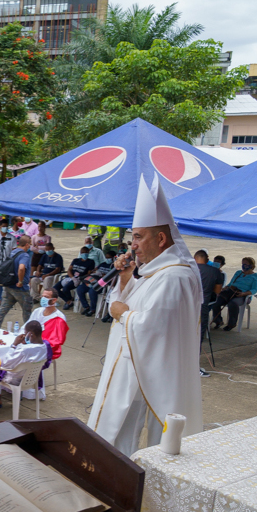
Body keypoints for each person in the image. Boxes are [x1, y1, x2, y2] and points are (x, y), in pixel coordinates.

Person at [88, 175, 203, 457]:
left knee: (144, 435)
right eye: (132, 238)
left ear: (161, 238)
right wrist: (126, 279)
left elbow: (152, 326)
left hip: (147, 368)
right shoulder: (158, 272)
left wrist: (122, 314)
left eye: (138, 236)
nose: (133, 245)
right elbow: (138, 301)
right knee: (120, 435)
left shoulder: (174, 276)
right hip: (135, 364)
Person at [0, 320, 53, 408]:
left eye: (25, 333)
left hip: (16, 380)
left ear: (30, 335)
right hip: (34, 378)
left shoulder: (24, 350)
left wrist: (14, 345)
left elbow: (7, 363)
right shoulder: (46, 346)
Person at [0, 235, 34, 329]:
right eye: (30, 244)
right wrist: (20, 281)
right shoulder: (24, 255)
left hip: (9, 286)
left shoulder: (13, 252)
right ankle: (30, 331)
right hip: (20, 289)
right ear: (26, 245)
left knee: (3, 309)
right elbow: (22, 268)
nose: (30, 246)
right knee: (27, 310)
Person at [210, 257, 257, 331]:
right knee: (216, 301)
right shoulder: (238, 272)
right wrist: (224, 288)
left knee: (233, 303)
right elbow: (231, 283)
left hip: (243, 295)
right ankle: (218, 321)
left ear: (251, 265)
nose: (244, 266)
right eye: (243, 264)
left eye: (246, 264)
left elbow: (254, 289)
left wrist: (244, 293)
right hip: (231, 291)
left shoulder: (256, 277)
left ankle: (231, 324)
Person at [28, 288, 69, 362]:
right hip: (31, 343)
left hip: (45, 349)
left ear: (54, 300)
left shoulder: (59, 318)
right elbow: (27, 327)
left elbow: (56, 340)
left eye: (46, 297)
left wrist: (36, 343)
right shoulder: (37, 311)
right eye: (42, 296)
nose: (43, 299)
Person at [194, 250, 223, 343]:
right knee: (198, 336)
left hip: (185, 305)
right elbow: (217, 290)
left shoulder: (188, 269)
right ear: (207, 260)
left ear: (194, 259)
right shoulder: (215, 271)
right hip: (203, 305)